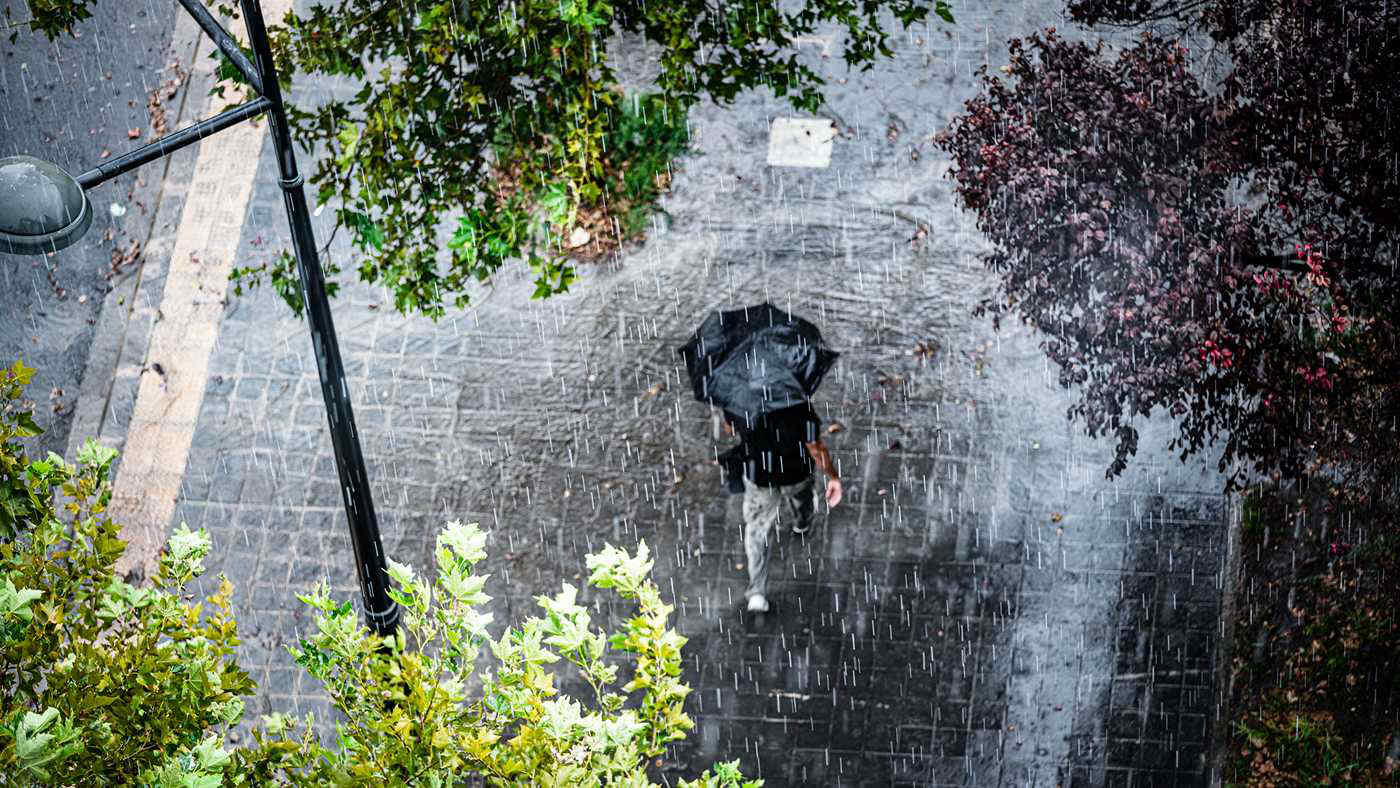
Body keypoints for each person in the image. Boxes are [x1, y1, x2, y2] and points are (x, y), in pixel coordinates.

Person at [724, 401, 843, 613]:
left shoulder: (737, 398)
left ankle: (757, 593)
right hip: (796, 471)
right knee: (802, 499)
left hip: (759, 475)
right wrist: (833, 476)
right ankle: (802, 523)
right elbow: (815, 447)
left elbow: (730, 428)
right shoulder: (796, 403)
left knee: (758, 531)